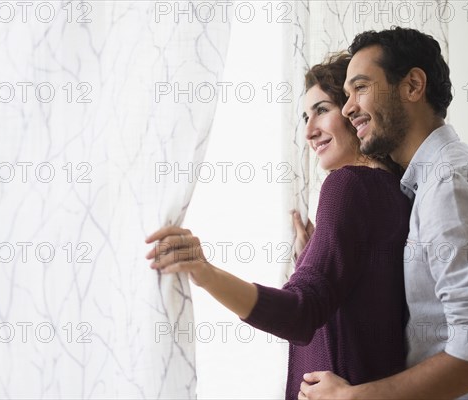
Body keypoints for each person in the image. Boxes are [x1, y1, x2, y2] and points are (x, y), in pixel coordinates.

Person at [299, 27, 468, 399]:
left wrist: (352, 397)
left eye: (362, 88)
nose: (349, 107)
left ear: (413, 86)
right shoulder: (426, 184)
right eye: (347, 94)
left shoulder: (450, 184)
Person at [146, 53, 411, 400]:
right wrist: (313, 256)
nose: (308, 131)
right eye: (305, 116)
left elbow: (300, 313)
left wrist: (204, 271)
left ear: (351, 110)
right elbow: (362, 302)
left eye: (321, 110)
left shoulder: (346, 185)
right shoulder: (396, 190)